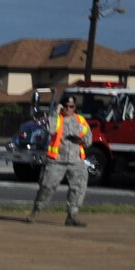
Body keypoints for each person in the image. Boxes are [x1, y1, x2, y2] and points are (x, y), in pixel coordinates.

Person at [28, 94, 92, 227]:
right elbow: (50, 129)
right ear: (62, 106)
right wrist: (55, 112)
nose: (69, 109)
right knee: (47, 186)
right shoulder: (56, 118)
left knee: (79, 188)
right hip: (57, 159)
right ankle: (36, 210)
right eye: (66, 106)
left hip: (76, 160)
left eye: (72, 106)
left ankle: (72, 216)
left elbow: (89, 138)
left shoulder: (80, 120)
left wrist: (82, 140)